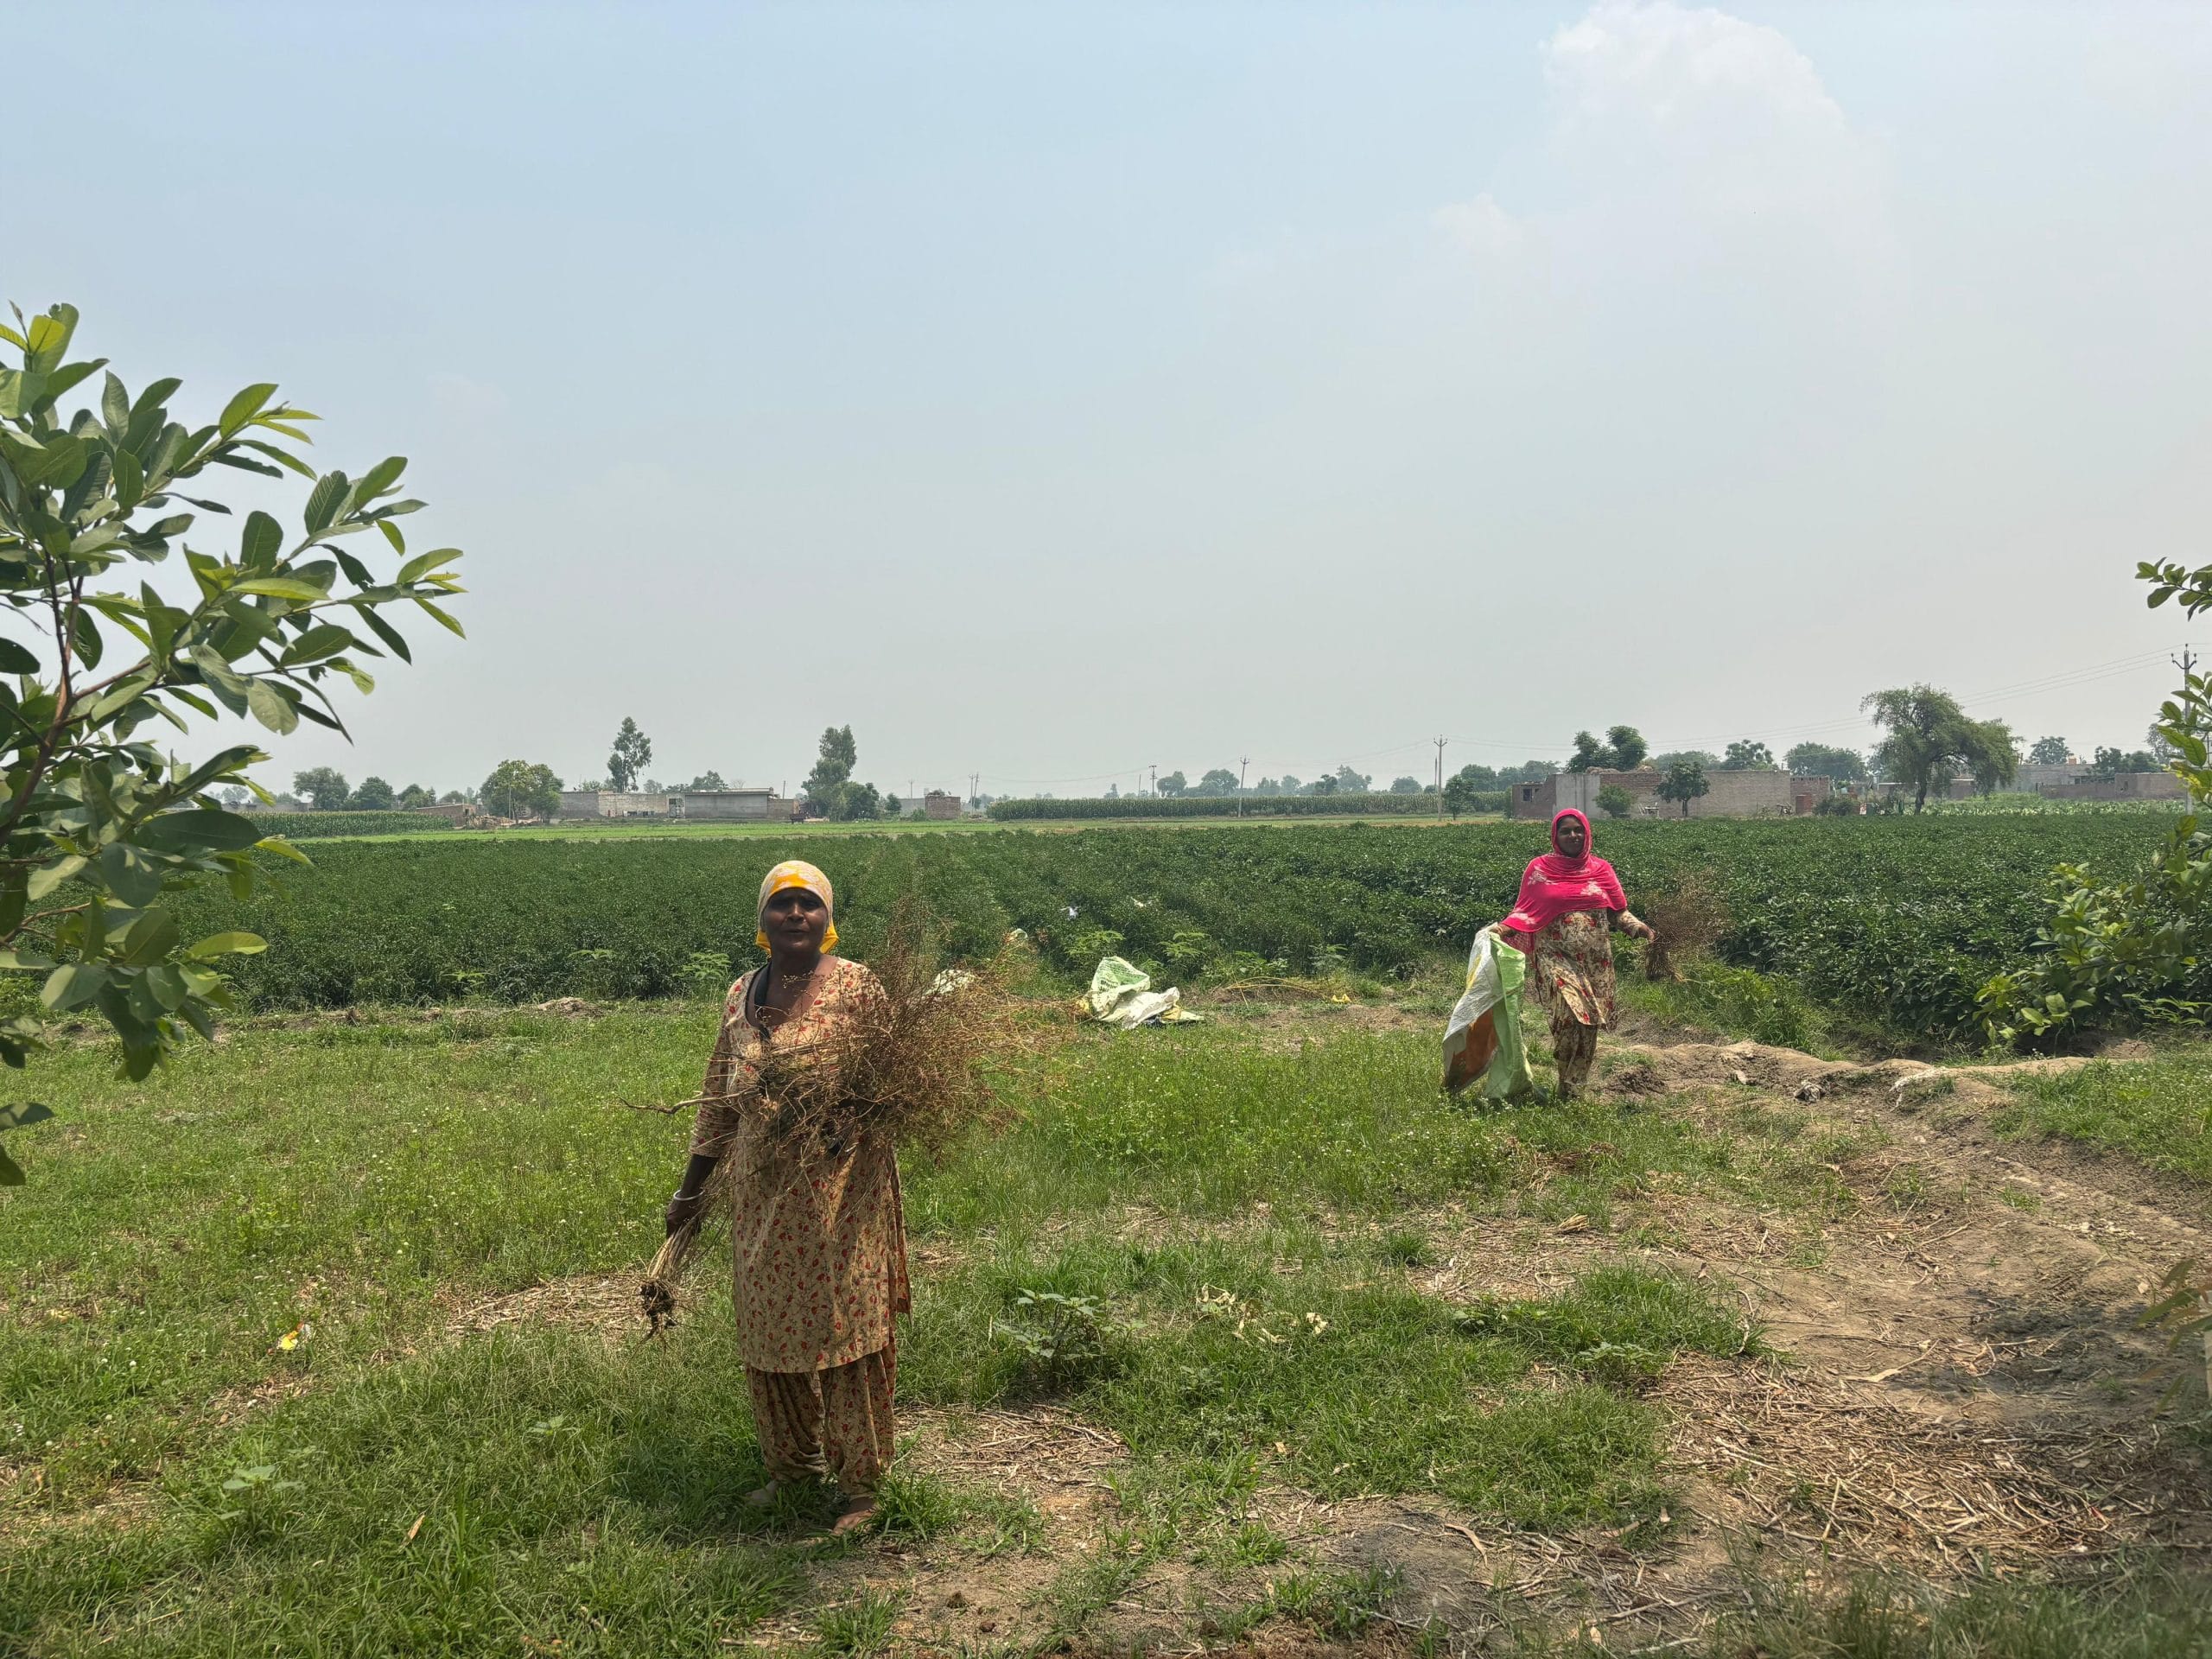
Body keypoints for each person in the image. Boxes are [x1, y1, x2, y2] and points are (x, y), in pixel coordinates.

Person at [666, 860, 907, 1535]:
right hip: (762, 1200)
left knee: (846, 1334)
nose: (795, 915)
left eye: (809, 904)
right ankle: (791, 1470)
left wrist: (848, 1122)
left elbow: (894, 1084)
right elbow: (718, 1101)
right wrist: (689, 1193)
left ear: (828, 919)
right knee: (768, 1337)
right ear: (762, 919)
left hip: (842, 1199)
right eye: (782, 904)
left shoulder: (859, 989)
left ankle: (862, 1488)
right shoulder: (740, 994)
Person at [1495, 808, 1656, 1099]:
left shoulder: (1601, 869)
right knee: (1569, 1016)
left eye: (1578, 829)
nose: (1573, 835)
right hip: (1553, 956)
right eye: (1566, 830)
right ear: (1555, 836)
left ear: (1587, 833)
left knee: (1589, 1024)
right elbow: (1524, 911)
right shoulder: (1539, 869)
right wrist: (1500, 931)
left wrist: (1638, 927)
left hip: (1596, 962)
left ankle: (1573, 1090)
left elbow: (1619, 911)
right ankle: (1565, 1077)